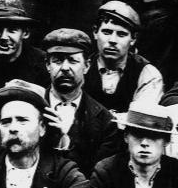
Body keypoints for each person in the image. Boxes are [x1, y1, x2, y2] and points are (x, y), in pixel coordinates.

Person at [37, 29, 122, 176]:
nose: (64, 68)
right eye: (57, 60)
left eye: (73, 60)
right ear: (47, 65)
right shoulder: (32, 108)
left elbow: (96, 176)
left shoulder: (105, 121)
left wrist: (64, 143)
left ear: (87, 66)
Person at [83, 1, 164, 114]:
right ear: (95, 32)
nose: (112, 40)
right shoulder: (81, 68)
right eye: (107, 32)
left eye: (121, 34)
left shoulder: (148, 74)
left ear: (133, 39)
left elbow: (140, 120)